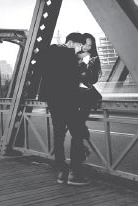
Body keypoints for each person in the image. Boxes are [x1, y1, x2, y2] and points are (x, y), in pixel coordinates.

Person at [39, 32, 89, 186]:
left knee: (59, 136)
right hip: (69, 101)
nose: (80, 48)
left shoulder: (49, 52)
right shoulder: (69, 56)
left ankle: (62, 171)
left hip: (54, 102)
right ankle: (75, 173)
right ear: (72, 42)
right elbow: (74, 80)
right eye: (79, 45)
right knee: (77, 134)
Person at [76, 33, 102, 148]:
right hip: (73, 92)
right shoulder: (74, 56)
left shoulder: (94, 59)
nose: (87, 47)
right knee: (77, 126)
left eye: (90, 45)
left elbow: (93, 79)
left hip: (86, 93)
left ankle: (78, 155)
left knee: (77, 126)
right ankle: (80, 152)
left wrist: (85, 72)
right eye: (85, 44)